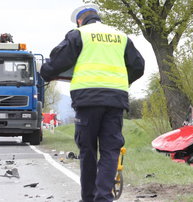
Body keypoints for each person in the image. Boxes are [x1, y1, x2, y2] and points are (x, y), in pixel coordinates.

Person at [40, 3, 145, 202]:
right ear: (98, 16)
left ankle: (88, 198)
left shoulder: (79, 34)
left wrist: (45, 73)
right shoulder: (120, 36)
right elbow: (138, 66)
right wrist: (122, 80)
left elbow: (57, 62)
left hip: (87, 99)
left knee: (88, 149)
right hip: (115, 100)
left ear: (80, 20)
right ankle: (104, 198)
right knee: (110, 149)